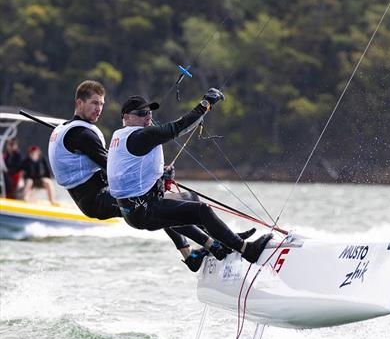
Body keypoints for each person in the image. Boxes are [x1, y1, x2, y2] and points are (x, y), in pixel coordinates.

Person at [47, 80, 237, 271]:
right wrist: (157, 177)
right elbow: (112, 167)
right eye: (94, 103)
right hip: (97, 198)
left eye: (102, 104)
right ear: (79, 103)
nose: (99, 109)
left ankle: (192, 253)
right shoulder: (82, 134)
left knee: (161, 206)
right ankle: (216, 244)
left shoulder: (65, 129)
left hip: (91, 197)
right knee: (157, 207)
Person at [107, 89, 270, 263]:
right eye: (141, 113)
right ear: (126, 117)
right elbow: (178, 128)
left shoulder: (121, 137)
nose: (148, 117)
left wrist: (162, 176)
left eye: (149, 112)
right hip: (144, 211)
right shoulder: (138, 136)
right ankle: (246, 250)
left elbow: (131, 173)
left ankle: (223, 241)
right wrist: (205, 104)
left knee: (190, 198)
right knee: (202, 211)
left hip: (136, 209)